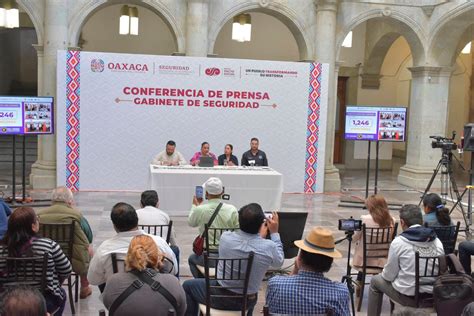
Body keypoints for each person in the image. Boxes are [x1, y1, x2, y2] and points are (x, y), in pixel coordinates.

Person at [183, 203, 284, 316]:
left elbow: (245, 243)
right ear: (262, 224)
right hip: (247, 301)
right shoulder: (268, 247)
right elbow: (279, 262)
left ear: (239, 221)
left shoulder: (226, 238)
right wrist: (274, 233)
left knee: (187, 286)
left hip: (219, 296)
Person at [367, 204, 444, 316]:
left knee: (375, 281)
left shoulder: (399, 242)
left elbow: (388, 276)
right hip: (433, 296)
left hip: (409, 297)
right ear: (421, 221)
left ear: (402, 222)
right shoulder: (436, 241)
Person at [87, 202, 178, 290]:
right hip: (155, 294)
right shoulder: (159, 243)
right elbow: (173, 270)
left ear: (114, 225)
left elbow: (93, 279)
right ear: (137, 220)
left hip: (119, 299)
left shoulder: (105, 249)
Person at [0, 207, 72, 315]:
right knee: (60, 293)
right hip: (43, 300)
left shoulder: (1, 250)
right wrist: (54, 281)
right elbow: (66, 270)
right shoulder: (49, 245)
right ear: (33, 226)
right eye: (37, 219)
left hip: (8, 302)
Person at [266, 227, 350, 315]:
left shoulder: (275, 284)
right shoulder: (340, 293)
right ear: (330, 262)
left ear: (300, 258)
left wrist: (295, 270)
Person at [102, 235, 186, 316]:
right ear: (156, 255)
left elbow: (108, 305)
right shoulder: (172, 282)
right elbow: (181, 311)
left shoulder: (113, 282)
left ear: (129, 256)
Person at [38, 186, 93, 299]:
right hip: (71, 256)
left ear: (52, 200)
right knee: (87, 248)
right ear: (70, 200)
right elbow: (89, 236)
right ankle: (84, 287)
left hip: (45, 255)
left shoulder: (40, 215)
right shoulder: (75, 215)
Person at [187, 177, 239, 278]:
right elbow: (237, 230)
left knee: (192, 259)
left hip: (206, 255)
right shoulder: (232, 209)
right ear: (222, 192)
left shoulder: (200, 209)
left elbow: (191, 223)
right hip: (226, 255)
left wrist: (194, 205)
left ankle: (202, 282)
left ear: (206, 193)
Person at [352, 195, 396, 289]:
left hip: (364, 260)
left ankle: (359, 282)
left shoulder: (364, 219)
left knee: (362, 247)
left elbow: (355, 238)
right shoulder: (392, 220)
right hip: (383, 260)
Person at [136, 190, 179, 273]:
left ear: (141, 203)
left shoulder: (135, 214)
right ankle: (175, 278)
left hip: (139, 251)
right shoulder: (164, 215)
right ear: (157, 203)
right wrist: (173, 246)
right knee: (175, 249)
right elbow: (171, 238)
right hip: (161, 253)